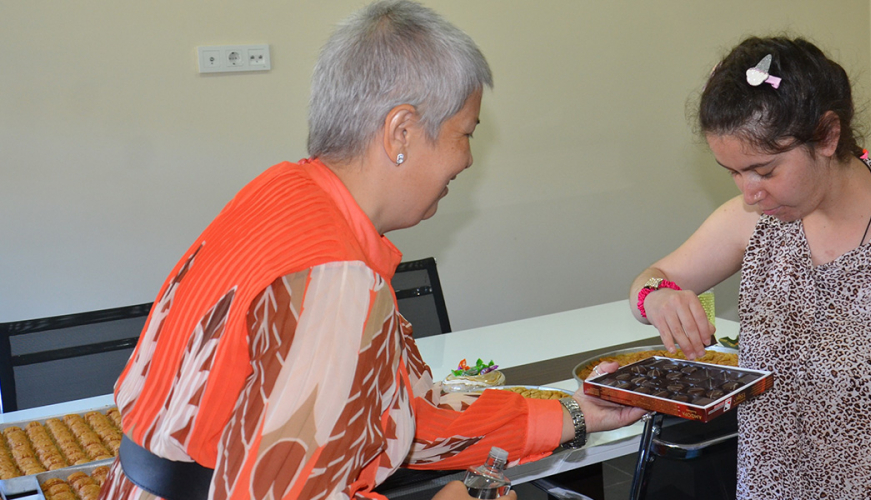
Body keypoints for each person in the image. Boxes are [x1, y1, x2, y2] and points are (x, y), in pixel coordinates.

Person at [98, 2, 644, 500]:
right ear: (401, 132)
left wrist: (575, 413)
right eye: (466, 133)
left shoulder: (282, 192)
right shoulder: (333, 274)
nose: (468, 160)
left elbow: (409, 415)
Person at [629, 36, 871, 499]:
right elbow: (649, 280)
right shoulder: (753, 223)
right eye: (733, 172)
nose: (749, 193)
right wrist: (656, 296)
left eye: (765, 170)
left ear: (827, 135)